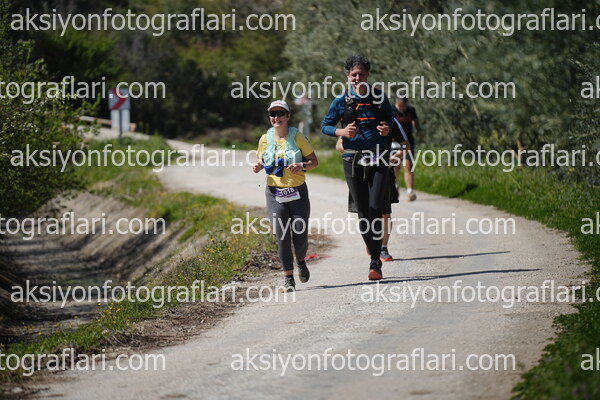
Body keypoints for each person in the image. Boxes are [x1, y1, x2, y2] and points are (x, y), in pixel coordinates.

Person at [321, 54, 394, 280]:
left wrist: (387, 130)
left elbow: (391, 120)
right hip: (352, 160)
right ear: (347, 76)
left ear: (368, 74)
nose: (357, 78)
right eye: (354, 74)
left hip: (378, 158)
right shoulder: (341, 100)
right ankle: (373, 250)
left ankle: (375, 262)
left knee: (375, 208)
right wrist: (341, 131)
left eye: (361, 74)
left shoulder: (379, 97)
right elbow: (325, 126)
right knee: (362, 211)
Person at [253, 100, 318, 292]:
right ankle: (288, 278)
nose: (276, 117)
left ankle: (301, 261)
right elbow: (260, 158)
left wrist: (301, 165)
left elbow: (314, 162)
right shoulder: (265, 139)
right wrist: (258, 166)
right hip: (275, 193)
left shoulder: (297, 137)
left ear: (288, 116)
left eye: (280, 113)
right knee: (281, 236)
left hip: (298, 193)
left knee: (300, 237)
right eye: (273, 114)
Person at [335, 118, 409, 263]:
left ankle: (383, 248)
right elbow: (339, 145)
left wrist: (390, 160)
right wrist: (356, 152)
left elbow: (406, 146)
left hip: (382, 171)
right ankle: (371, 242)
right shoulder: (355, 119)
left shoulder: (389, 119)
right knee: (365, 210)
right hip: (359, 171)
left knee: (384, 211)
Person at [393, 97, 422, 201]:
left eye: (404, 106)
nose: (402, 109)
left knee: (408, 165)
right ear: (397, 102)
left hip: (407, 142)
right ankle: (395, 186)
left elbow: (415, 121)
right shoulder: (391, 109)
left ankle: (410, 191)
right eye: (400, 106)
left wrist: (418, 130)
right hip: (394, 142)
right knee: (395, 166)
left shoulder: (411, 110)